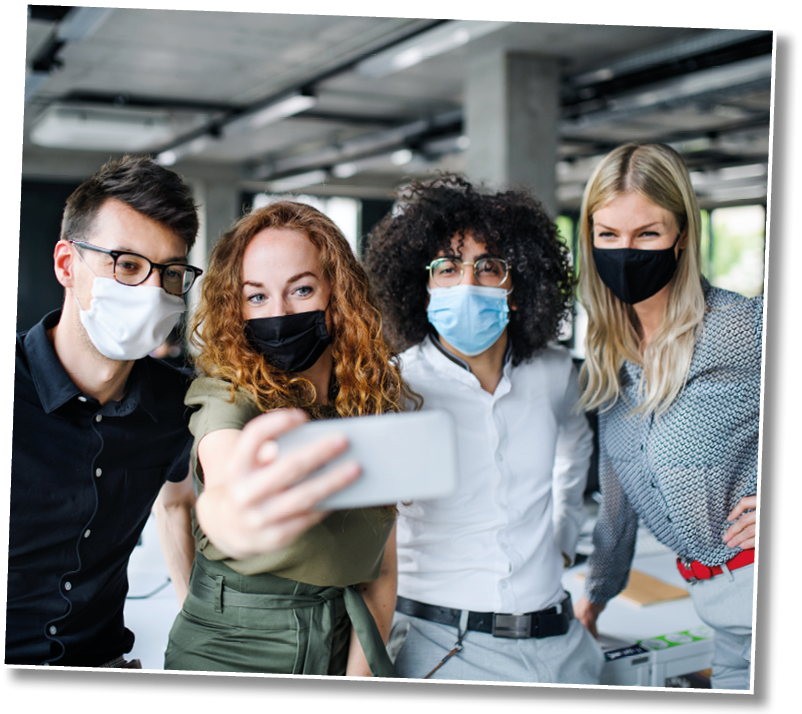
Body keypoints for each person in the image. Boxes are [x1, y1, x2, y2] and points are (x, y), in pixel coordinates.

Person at [7, 157, 359, 669]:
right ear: (66, 265)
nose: (151, 291)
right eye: (126, 264)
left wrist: (193, 607)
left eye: (170, 273)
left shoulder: (176, 403)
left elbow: (183, 502)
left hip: (101, 664)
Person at [364, 176, 603, 683]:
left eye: (488, 267)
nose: (467, 284)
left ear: (517, 289)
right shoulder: (394, 389)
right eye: (447, 268)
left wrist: (561, 537)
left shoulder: (554, 372)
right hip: (442, 646)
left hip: (561, 646)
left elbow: (575, 445)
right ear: (421, 286)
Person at [163, 200, 418, 677]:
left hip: (344, 635)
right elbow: (224, 481)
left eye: (300, 290)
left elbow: (381, 568)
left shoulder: (371, 402)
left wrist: (358, 677)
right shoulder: (228, 393)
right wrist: (235, 513)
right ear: (233, 307)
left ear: (337, 295)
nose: (278, 313)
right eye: (256, 297)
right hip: (232, 646)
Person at [572, 142, 761, 690]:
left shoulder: (743, 327)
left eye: (647, 234)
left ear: (682, 235)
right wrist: (595, 599)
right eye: (608, 236)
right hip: (719, 614)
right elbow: (618, 504)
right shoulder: (613, 359)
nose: (625, 252)